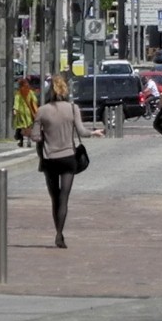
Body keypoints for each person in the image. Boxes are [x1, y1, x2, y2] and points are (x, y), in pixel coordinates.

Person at [29, 75, 104, 249]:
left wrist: (40, 136)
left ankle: (58, 231)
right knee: (64, 198)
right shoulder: (72, 108)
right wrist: (94, 132)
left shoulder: (42, 110)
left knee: (54, 197)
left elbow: (35, 136)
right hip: (68, 158)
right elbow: (82, 131)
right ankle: (59, 234)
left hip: (49, 159)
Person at [12, 77, 38, 148]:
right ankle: (29, 140)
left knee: (20, 127)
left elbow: (16, 102)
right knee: (28, 127)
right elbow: (35, 100)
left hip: (21, 112)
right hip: (28, 112)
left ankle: (21, 141)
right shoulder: (30, 92)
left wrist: (15, 109)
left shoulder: (18, 93)